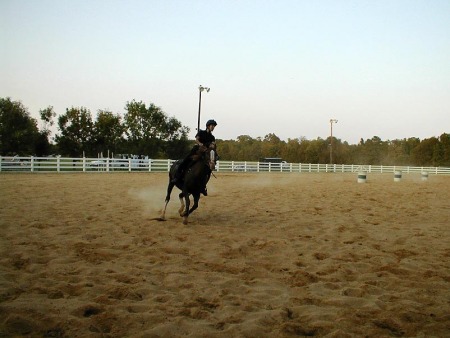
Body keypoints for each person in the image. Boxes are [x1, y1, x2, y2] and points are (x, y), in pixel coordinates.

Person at [171, 119, 217, 195]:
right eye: (212, 125)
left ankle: (203, 186)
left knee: (208, 169)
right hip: (197, 150)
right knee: (186, 161)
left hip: (205, 154)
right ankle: (177, 177)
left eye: (214, 126)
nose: (213, 127)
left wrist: (213, 146)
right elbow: (196, 140)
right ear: (208, 126)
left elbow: (212, 145)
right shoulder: (201, 132)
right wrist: (200, 144)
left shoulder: (212, 137)